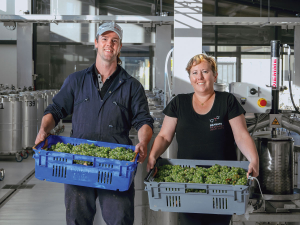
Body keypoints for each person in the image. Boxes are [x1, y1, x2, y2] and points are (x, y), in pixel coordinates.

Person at [35, 21, 154, 225]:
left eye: (114, 40)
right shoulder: (76, 80)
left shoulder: (132, 86)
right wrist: (43, 129)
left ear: (120, 46)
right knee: (77, 220)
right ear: (96, 43)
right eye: (105, 39)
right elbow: (55, 110)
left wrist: (143, 142)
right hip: (78, 164)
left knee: (120, 220)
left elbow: (143, 120)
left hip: (115, 167)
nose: (110, 44)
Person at [147, 54, 259, 225]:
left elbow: (241, 135)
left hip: (222, 183)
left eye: (205, 71)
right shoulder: (179, 103)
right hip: (186, 181)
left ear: (214, 75)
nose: (199, 77)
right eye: (194, 72)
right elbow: (164, 136)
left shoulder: (227, 101)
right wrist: (153, 155)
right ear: (190, 77)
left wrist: (254, 159)